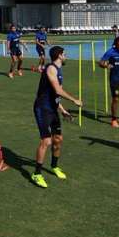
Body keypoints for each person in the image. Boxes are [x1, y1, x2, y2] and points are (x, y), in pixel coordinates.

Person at [31, 46, 81, 188]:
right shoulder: (51, 69)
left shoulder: (59, 70)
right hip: (42, 108)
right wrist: (74, 100)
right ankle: (37, 174)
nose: (66, 56)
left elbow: (55, 95)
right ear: (59, 55)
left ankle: (54, 166)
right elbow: (58, 89)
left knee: (58, 139)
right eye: (65, 54)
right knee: (46, 141)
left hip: (52, 108)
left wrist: (63, 110)